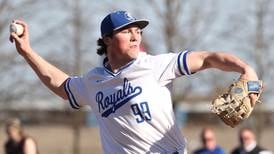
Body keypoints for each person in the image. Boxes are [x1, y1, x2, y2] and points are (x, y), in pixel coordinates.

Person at [10, 10, 261, 153]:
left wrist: (245, 68)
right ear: (107, 39)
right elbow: (61, 86)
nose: (135, 36)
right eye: (126, 31)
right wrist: (27, 52)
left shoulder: (155, 66)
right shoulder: (93, 81)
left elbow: (206, 58)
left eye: (138, 31)